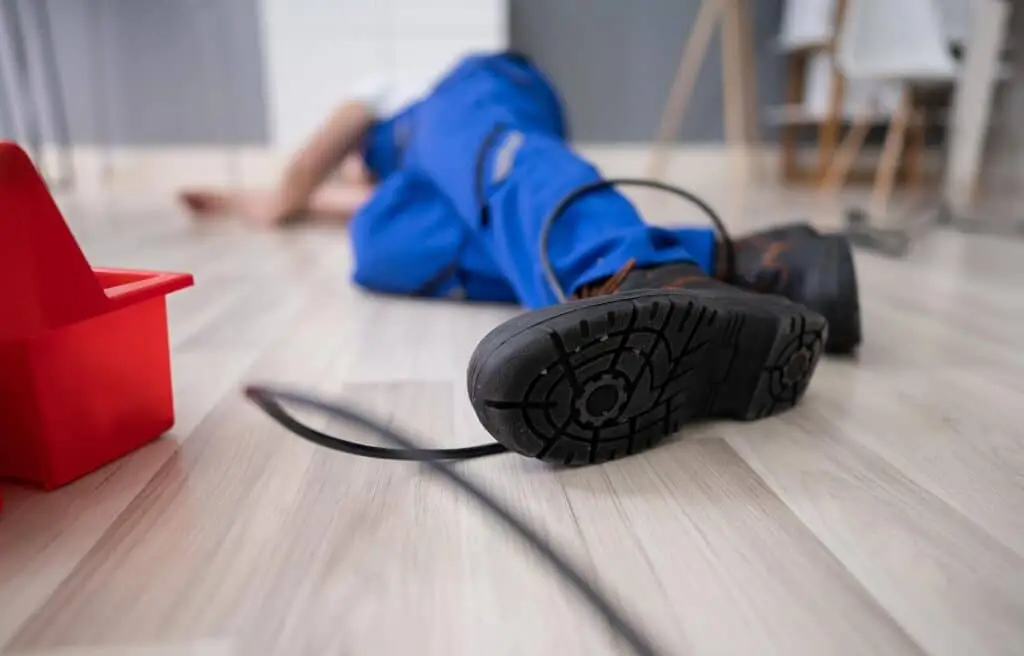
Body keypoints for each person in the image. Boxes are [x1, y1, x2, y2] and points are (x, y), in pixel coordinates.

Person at [182, 51, 861, 465]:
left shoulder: (405, 100)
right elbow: (341, 204)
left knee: (481, 154)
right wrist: (271, 199)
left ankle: (636, 272)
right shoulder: (398, 187)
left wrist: (274, 195)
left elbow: (305, 170)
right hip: (445, 172)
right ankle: (754, 261)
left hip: (488, 91)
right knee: (377, 247)